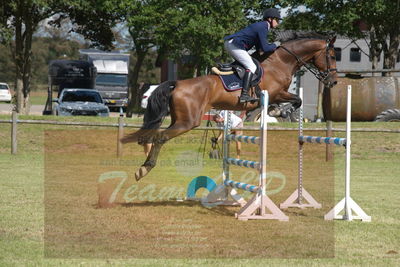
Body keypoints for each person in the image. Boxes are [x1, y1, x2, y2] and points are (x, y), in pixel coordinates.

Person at [224, 8, 281, 103]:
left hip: (231, 43)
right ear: (270, 19)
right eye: (277, 20)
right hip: (235, 44)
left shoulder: (261, 26)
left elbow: (260, 49)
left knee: (245, 64)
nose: (278, 23)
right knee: (251, 66)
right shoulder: (263, 26)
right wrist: (276, 44)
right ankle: (244, 95)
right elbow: (265, 48)